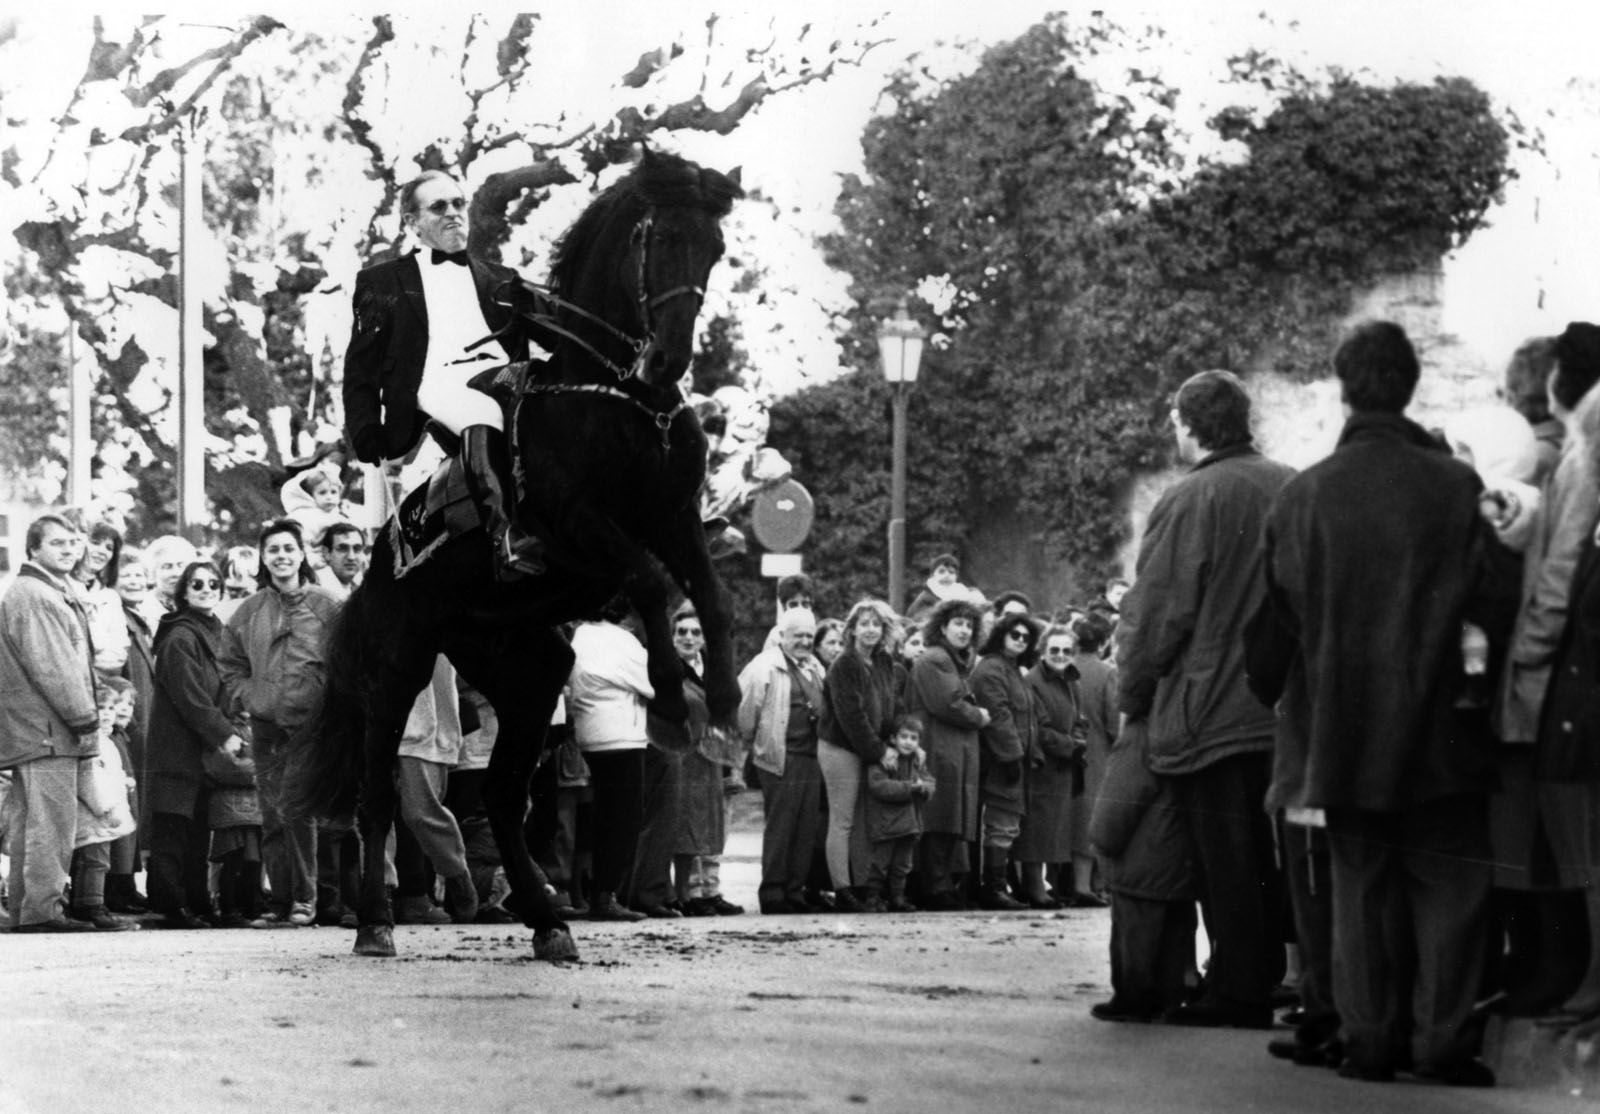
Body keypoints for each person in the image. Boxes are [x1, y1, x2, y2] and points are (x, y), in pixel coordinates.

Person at [1262, 320, 1519, 1086]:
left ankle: (1368, 1040)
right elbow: (1495, 597)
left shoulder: (1305, 494)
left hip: (1340, 727)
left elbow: (1278, 618)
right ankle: (1441, 1042)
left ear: (1345, 390)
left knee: (1359, 888)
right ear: (1411, 387)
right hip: (1441, 720)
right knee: (1450, 888)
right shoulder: (1452, 486)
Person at [1116, 368, 1293, 1029]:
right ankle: (1270, 975)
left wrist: (1134, 695)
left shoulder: (1191, 499)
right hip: (1283, 708)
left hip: (1211, 708)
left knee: (1226, 855)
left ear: (1189, 426)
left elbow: (1157, 614)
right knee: (1275, 851)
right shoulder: (1290, 485)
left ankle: (1239, 986)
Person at [342, 168, 542, 581]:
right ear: (412, 223)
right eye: (439, 207)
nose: (454, 214)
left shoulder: (502, 280)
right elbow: (360, 367)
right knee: (480, 412)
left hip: (508, 376)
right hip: (438, 381)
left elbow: (557, 332)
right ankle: (505, 536)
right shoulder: (381, 282)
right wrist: (364, 429)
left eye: (458, 204)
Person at [1492, 323, 1600, 1017]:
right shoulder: (1574, 448)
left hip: (1548, 676)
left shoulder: (1576, 453)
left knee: (1556, 839)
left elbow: (1559, 573)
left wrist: (1527, 654)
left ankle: (1565, 976)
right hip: (1554, 673)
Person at [220, 519, 341, 929]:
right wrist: (250, 698)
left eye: (289, 548)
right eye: (273, 550)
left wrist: (328, 704)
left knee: (300, 810)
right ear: (263, 558)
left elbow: (348, 661)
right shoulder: (248, 611)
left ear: (302, 554)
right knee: (271, 814)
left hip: (310, 726)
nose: (282, 556)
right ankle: (281, 900)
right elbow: (230, 665)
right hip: (267, 725)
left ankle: (307, 900)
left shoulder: (328, 605)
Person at [0, 515, 105, 932]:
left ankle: (30, 911)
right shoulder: (36, 594)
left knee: (32, 823)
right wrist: (85, 720)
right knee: (53, 824)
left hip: (36, 730)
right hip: (48, 730)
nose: (70, 549)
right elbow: (56, 668)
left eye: (74, 542)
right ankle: (43, 912)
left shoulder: (37, 590)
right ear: (34, 549)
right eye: (58, 543)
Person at [146, 560, 246, 929]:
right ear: (183, 592)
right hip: (178, 750)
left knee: (197, 833)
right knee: (173, 831)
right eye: (197, 584)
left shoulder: (216, 631)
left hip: (201, 751)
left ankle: (196, 903)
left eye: (213, 583)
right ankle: (170, 906)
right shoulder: (179, 636)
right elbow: (191, 697)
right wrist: (224, 733)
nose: (206, 589)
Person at [1088, 718, 1197, 1023]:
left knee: (1135, 935)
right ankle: (1171, 996)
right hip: (1176, 856)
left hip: (1140, 857)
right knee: (1174, 932)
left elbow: (1120, 799)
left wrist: (1101, 840)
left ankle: (1133, 999)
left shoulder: (1139, 735)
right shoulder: (1181, 725)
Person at [566, 596, 652, 923]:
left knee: (602, 815)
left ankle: (599, 892)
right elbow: (651, 681)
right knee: (625, 818)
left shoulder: (580, 636)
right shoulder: (620, 640)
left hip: (590, 732)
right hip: (622, 734)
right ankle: (606, 894)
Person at [738, 606, 828, 915]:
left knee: (805, 828)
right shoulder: (765, 666)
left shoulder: (816, 666)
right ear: (782, 636)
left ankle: (795, 889)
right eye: (797, 635)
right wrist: (754, 744)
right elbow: (746, 710)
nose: (804, 641)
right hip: (780, 756)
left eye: (809, 635)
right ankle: (773, 891)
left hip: (812, 758)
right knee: (781, 826)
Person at [906, 595, 990, 910]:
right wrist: (979, 716)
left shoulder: (953, 660)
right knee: (939, 819)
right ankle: (935, 887)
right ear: (942, 627)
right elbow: (948, 704)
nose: (964, 630)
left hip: (951, 750)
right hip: (939, 750)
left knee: (947, 820)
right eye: (958, 623)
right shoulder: (936, 659)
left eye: (969, 625)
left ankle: (942, 884)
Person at [818, 598, 901, 913]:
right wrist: (879, 751)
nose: (870, 630)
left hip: (870, 746)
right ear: (851, 629)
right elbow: (851, 716)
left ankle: (867, 888)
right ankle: (842, 889)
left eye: (876, 624)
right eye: (864, 624)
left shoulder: (883, 662)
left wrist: (893, 740)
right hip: (840, 746)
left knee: (865, 821)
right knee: (843, 820)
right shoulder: (844, 664)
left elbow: (889, 705)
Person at [667, 605, 744, 917]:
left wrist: (734, 762)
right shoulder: (668, 669)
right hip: (682, 756)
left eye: (695, 632)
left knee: (712, 824)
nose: (689, 638)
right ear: (672, 636)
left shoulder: (714, 668)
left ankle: (709, 889)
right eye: (682, 632)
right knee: (684, 824)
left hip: (713, 755)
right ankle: (690, 891)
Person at [392, 654, 479, 925]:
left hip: (423, 724)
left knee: (420, 813)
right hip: (373, 719)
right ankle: (381, 899)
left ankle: (455, 869)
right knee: (374, 817)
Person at [971, 612, 1039, 911]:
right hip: (1000, 759)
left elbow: (1028, 717)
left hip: (1016, 757)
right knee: (1000, 822)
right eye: (1015, 635)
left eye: (1026, 637)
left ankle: (1000, 885)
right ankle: (993, 888)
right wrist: (1011, 755)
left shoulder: (1013, 669)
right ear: (1001, 635)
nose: (1021, 641)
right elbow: (998, 715)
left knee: (1008, 823)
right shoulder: (992, 670)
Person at [1018, 625, 1085, 909]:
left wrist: (1079, 739)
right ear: (1043, 651)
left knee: (1055, 828)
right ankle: (1034, 886)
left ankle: (1047, 886)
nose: (1060, 655)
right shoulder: (1033, 681)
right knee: (1037, 828)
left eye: (1067, 651)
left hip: (1065, 763)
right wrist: (1071, 745)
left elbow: (1080, 719)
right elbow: (1040, 728)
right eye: (1054, 650)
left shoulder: (1072, 682)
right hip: (1042, 762)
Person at [67, 683, 139, 930]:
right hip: (96, 814)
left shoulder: (107, 741)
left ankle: (89, 903)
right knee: (94, 861)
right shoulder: (93, 742)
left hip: (103, 815)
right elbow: (90, 779)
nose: (108, 713)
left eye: (111, 707)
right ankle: (91, 905)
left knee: (97, 860)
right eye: (101, 707)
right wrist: (106, 807)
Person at [1066, 612, 1119, 904]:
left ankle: (1077, 884)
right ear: (1102, 642)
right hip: (1099, 752)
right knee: (1094, 818)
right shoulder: (1107, 672)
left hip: (1072, 749)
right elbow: (1114, 721)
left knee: (1075, 817)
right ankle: (1091, 886)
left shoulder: (1066, 667)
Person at [863, 715, 935, 912]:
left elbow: (929, 781)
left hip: (909, 824)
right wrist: (910, 787)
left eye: (914, 738)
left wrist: (925, 788)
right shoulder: (884, 760)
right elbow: (878, 786)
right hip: (886, 823)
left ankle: (897, 897)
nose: (909, 742)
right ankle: (873, 897)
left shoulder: (917, 761)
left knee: (903, 866)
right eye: (904, 737)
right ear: (893, 739)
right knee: (880, 864)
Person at [72, 521, 131, 682]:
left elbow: (119, 654)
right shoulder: (63, 588)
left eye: (109, 548)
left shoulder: (111, 598)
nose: (101, 551)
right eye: (95, 543)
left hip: (104, 686)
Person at [139, 535, 199, 630]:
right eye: (167, 566)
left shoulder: (200, 605)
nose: (176, 573)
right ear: (153, 573)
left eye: (181, 565)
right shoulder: (143, 611)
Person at [906, 553, 970, 622]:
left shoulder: (963, 594)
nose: (947, 575)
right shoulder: (926, 596)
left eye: (951, 572)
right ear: (933, 575)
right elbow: (918, 618)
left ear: (956, 577)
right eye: (941, 571)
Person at [321, 523, 367, 595]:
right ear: (326, 553)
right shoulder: (319, 591)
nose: (351, 557)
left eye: (357, 549)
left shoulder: (358, 588)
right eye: (342, 549)